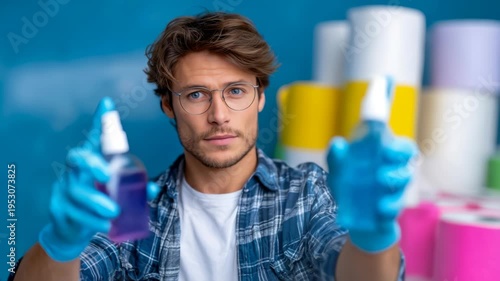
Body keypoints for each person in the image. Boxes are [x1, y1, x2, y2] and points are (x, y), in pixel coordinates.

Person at [10, 12, 415, 281]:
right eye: (197, 95)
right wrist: (60, 243)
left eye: (236, 91)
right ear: (169, 105)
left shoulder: (307, 193)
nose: (219, 115)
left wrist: (372, 237)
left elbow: (351, 270)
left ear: (260, 97)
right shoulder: (131, 208)